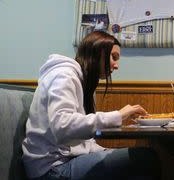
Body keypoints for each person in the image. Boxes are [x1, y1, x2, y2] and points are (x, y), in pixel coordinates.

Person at [22, 31, 161, 180]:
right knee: (146, 158)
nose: (116, 65)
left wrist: (107, 151)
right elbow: (62, 126)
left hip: (66, 160)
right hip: (51, 169)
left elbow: (84, 143)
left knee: (137, 160)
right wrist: (119, 115)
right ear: (99, 52)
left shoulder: (83, 81)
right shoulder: (63, 76)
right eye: (114, 57)